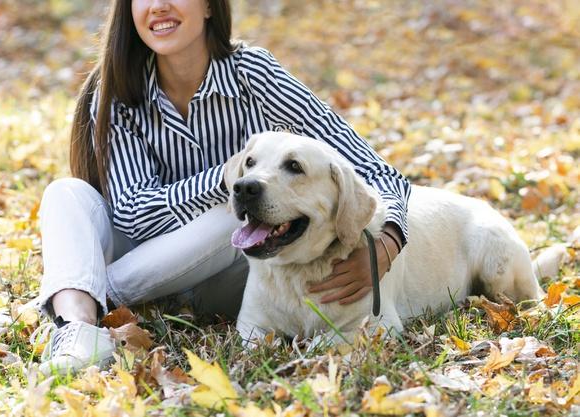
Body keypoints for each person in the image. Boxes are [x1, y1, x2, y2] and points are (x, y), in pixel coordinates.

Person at [34, 0, 411, 375]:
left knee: (232, 215)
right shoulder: (118, 88)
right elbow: (133, 214)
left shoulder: (254, 74)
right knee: (64, 193)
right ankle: (77, 330)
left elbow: (376, 171)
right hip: (147, 261)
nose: (159, 6)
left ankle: (83, 288)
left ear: (210, 7)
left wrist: (388, 244)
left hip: (228, 269)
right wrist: (229, 179)